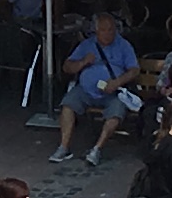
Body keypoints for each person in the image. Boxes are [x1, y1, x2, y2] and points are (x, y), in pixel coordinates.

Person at [52, 12, 143, 168]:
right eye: (103, 30)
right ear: (96, 31)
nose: (108, 34)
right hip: (86, 90)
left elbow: (134, 70)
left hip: (112, 92)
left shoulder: (123, 45)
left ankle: (97, 149)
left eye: (110, 30)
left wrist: (117, 82)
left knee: (115, 113)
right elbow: (67, 67)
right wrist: (82, 62)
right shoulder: (87, 45)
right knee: (68, 104)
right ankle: (64, 147)